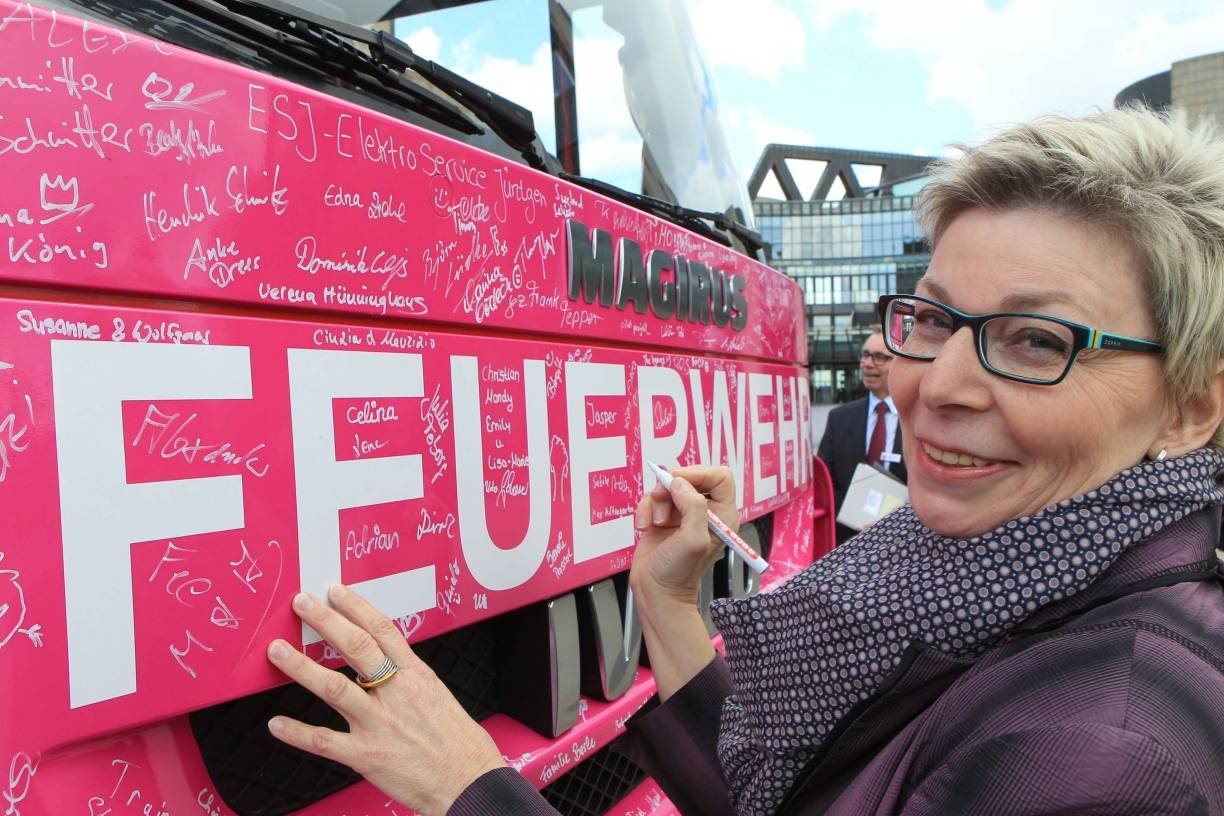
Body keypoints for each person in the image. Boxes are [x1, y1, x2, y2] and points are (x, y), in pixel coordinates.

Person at [264, 107, 1224, 815]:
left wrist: (468, 788)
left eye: (1031, 342)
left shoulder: (1102, 753)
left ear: (1189, 409)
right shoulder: (995, 582)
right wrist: (666, 608)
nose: (937, 387)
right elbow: (781, 793)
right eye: (932, 320)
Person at [818, 328, 908, 544]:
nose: (868, 364)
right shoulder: (839, 418)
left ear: (901, 363)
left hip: (903, 541)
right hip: (848, 540)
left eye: (879, 357)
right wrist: (854, 518)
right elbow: (825, 482)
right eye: (865, 355)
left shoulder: (918, 420)